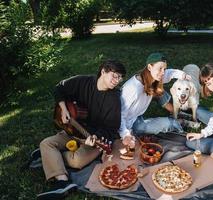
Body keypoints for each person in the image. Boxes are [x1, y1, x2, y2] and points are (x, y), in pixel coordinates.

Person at [36, 60, 126, 200]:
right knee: (45, 143)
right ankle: (62, 182)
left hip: (93, 139)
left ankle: (50, 157)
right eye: (114, 76)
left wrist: (96, 137)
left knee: (76, 161)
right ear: (103, 71)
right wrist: (64, 109)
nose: (117, 81)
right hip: (72, 130)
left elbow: (112, 129)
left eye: (120, 77)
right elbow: (59, 87)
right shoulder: (83, 81)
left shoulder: (113, 99)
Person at [120, 52, 191, 148]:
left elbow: (170, 73)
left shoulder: (153, 76)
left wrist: (183, 75)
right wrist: (126, 134)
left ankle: (178, 113)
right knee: (170, 124)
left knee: (159, 90)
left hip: (137, 115)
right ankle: (181, 124)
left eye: (164, 69)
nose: (163, 72)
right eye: (160, 68)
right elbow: (120, 115)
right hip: (130, 125)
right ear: (149, 67)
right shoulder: (133, 89)